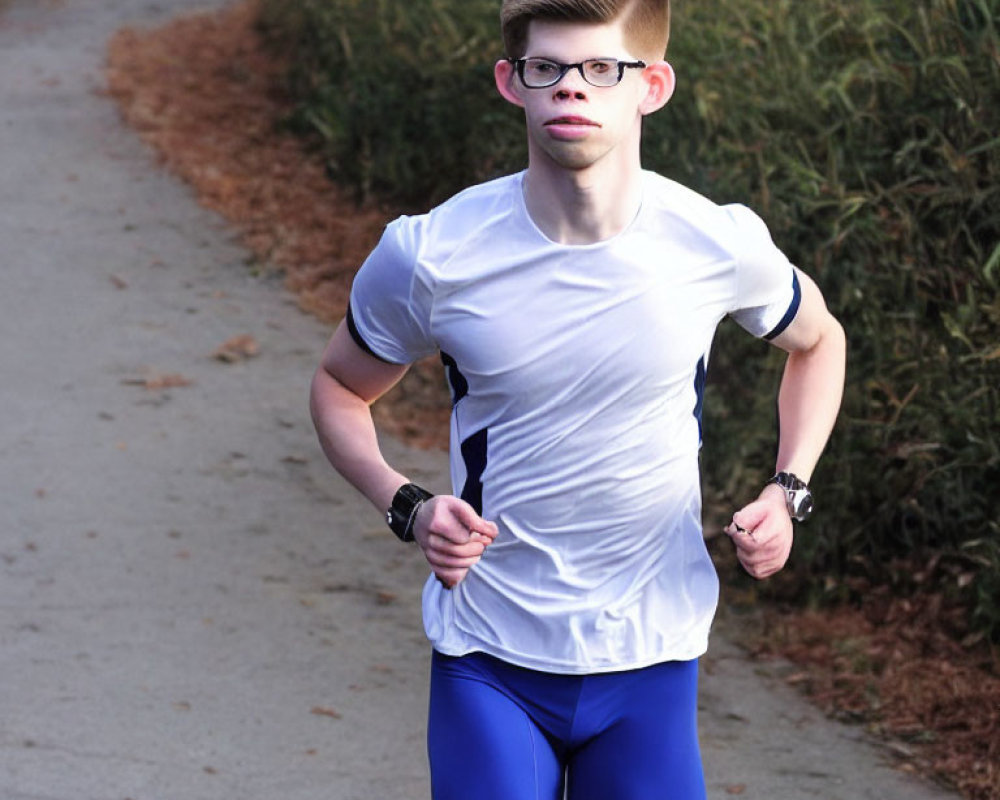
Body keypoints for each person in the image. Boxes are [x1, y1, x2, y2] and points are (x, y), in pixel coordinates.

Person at [309, 0, 846, 797]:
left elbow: (820, 342)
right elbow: (339, 388)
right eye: (547, 69)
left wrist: (788, 488)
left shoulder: (714, 241)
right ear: (510, 82)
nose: (571, 90)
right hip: (488, 656)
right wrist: (409, 506)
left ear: (652, 86)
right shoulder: (432, 253)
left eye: (602, 69)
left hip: (651, 655)